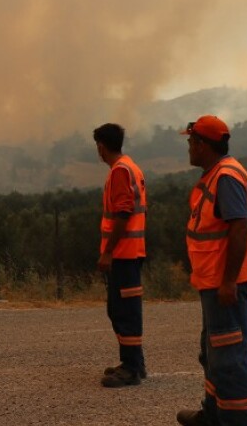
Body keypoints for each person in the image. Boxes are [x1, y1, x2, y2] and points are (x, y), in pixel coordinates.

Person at [176, 115, 247, 426]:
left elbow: (239, 228)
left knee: (229, 359)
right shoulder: (218, 174)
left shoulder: (226, 176)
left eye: (190, 141)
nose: (188, 147)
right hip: (214, 283)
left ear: (202, 144)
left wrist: (228, 282)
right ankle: (213, 416)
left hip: (226, 285)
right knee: (212, 353)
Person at [93, 123, 149, 388]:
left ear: (102, 147)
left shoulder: (120, 171)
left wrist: (107, 253)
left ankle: (131, 368)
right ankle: (134, 363)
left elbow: (123, 213)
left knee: (123, 311)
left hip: (124, 255)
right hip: (129, 253)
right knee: (120, 309)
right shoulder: (130, 166)